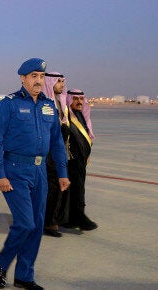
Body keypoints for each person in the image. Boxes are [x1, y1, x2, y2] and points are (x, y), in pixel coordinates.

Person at [0, 58, 70, 290]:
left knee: (36, 226)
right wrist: (0, 174)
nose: (38, 80)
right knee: (25, 223)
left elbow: (56, 142)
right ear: (23, 78)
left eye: (41, 76)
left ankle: (24, 275)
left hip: (40, 171)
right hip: (14, 171)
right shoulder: (9, 104)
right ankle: (3, 263)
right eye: (33, 76)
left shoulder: (48, 106)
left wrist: (62, 172)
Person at [62, 89, 98, 231]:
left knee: (76, 188)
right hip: (71, 160)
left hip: (81, 160)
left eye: (81, 99)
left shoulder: (81, 115)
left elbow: (86, 137)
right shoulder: (68, 117)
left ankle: (71, 218)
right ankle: (79, 217)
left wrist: (87, 154)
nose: (79, 102)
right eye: (75, 99)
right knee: (76, 189)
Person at [42, 72, 70, 238]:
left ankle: (52, 220)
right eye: (58, 81)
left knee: (57, 187)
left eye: (62, 81)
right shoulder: (46, 104)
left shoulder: (59, 102)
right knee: (50, 188)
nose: (62, 85)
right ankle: (48, 223)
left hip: (58, 153)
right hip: (48, 154)